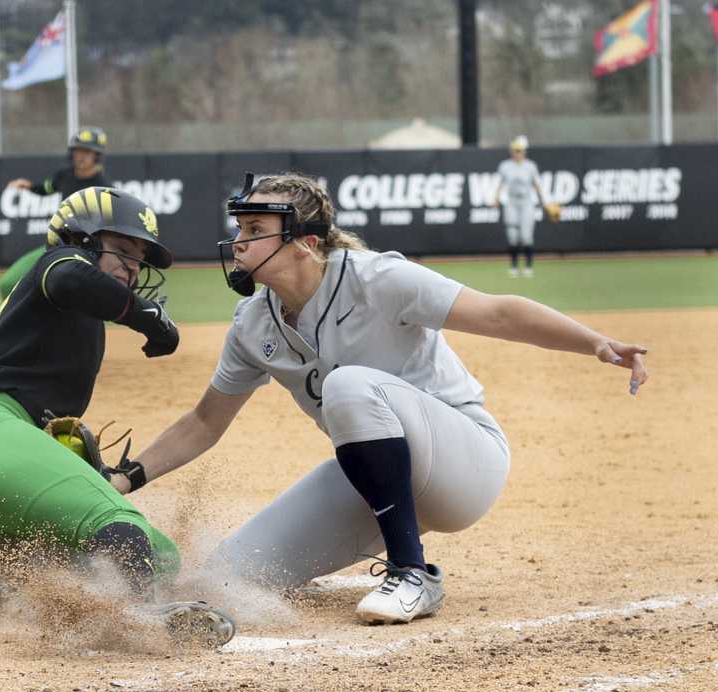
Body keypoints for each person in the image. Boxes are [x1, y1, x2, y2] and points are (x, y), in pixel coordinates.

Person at [108, 172, 648, 625]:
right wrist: (125, 477)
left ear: (306, 242)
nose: (239, 242)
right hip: (371, 478)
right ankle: (373, 557)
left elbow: (498, 312)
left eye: (255, 229)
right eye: (239, 228)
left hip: (463, 464)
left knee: (349, 384)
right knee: (228, 576)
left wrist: (596, 343)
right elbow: (204, 422)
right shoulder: (253, 322)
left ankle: (412, 572)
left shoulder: (378, 279)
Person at [0, 186, 235, 647]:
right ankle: (137, 620)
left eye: (138, 258)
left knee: (160, 552)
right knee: (119, 528)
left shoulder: (74, 311)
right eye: (123, 251)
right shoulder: (58, 264)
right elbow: (69, 279)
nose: (132, 267)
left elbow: (45, 290)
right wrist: (146, 315)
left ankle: (30, 589)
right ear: (80, 240)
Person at [0, 126, 112, 300]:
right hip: (57, 245)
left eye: (87, 152)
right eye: (78, 151)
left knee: (74, 296)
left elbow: (108, 227)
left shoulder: (103, 189)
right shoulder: (64, 176)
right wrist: (28, 186)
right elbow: (46, 188)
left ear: (97, 156)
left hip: (85, 252)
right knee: (8, 283)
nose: (81, 156)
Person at [492, 135, 551, 278]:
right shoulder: (505, 166)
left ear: (524, 151)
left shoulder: (530, 166)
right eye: (515, 150)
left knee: (526, 236)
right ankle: (513, 267)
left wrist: (544, 201)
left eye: (519, 150)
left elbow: (537, 185)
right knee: (512, 236)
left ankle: (528, 267)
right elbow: (500, 184)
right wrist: (496, 198)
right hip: (512, 202)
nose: (517, 153)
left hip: (526, 202)